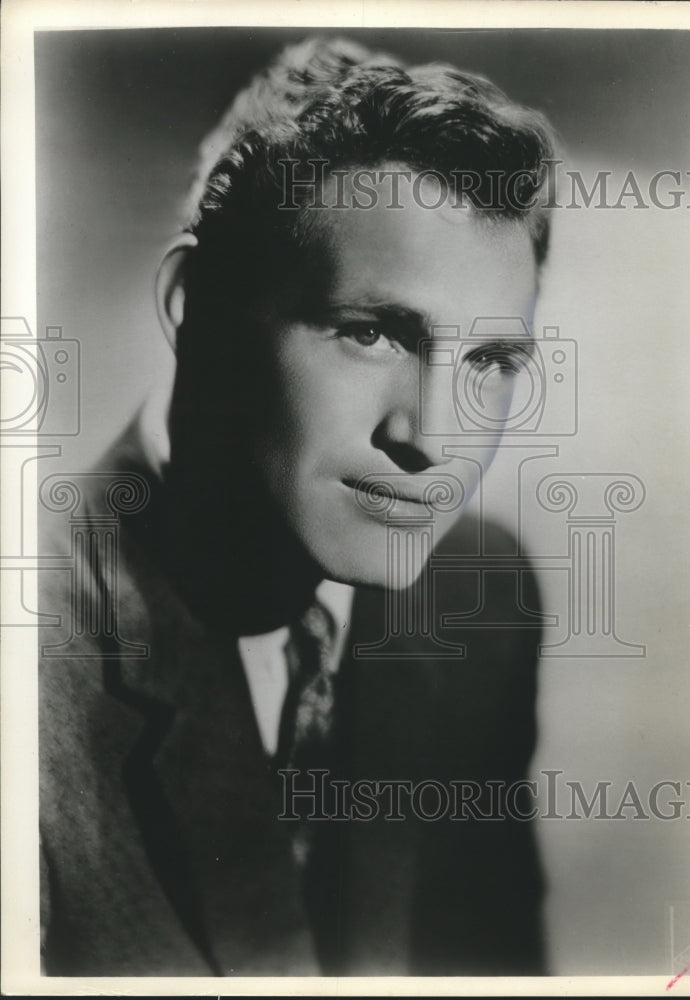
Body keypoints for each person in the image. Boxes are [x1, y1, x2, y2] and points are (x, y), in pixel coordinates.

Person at [38, 36, 555, 976]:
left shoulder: (482, 599)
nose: (433, 439)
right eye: (370, 333)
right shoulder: (26, 660)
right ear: (193, 304)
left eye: (489, 362)